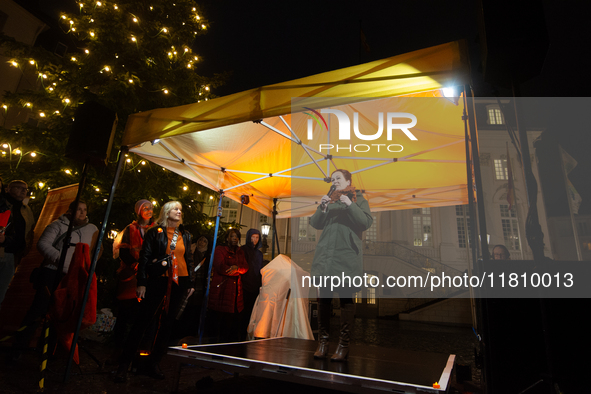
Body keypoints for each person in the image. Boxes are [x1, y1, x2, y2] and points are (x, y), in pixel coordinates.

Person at [115, 201, 194, 382]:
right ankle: (124, 365)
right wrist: (142, 282)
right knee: (143, 321)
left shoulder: (186, 235)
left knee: (167, 324)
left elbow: (188, 259)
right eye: (175, 209)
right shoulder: (155, 232)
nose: (179, 212)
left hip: (178, 282)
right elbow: (145, 258)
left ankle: (153, 363)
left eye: (180, 209)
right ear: (166, 212)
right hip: (158, 280)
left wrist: (190, 283)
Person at [11, 200, 98, 357]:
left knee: (61, 313)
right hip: (52, 272)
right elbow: (43, 244)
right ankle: (19, 347)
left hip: (72, 276)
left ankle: (49, 351)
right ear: (71, 211)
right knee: (39, 309)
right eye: (78, 209)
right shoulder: (57, 225)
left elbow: (94, 251)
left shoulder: (92, 230)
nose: (82, 212)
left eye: (84, 209)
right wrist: (61, 259)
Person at [310, 169, 372, 361]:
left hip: (346, 258)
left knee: (346, 301)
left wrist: (350, 205)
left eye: (338, 178)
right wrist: (322, 208)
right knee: (324, 301)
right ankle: (323, 342)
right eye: (333, 179)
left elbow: (365, 222)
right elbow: (315, 223)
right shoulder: (330, 199)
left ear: (347, 181)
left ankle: (343, 345)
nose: (334, 181)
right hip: (327, 257)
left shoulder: (358, 198)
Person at [111, 200, 155, 354]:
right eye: (145, 208)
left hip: (149, 276)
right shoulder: (130, 229)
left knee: (145, 313)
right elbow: (123, 251)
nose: (149, 211)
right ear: (139, 211)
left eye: (151, 208)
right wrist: (135, 264)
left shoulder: (157, 230)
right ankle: (118, 348)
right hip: (130, 276)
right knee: (125, 312)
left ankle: (140, 348)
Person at [207, 228, 248, 343]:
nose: (234, 238)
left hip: (236, 293)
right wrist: (235, 269)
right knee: (219, 324)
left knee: (231, 326)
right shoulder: (220, 250)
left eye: (236, 236)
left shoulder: (240, 252)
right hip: (222, 290)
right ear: (227, 238)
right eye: (232, 236)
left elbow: (245, 267)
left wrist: (237, 268)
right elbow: (220, 267)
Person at [0, 180, 35, 308]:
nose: (23, 191)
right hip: (2, 249)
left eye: (25, 189)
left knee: (2, 292)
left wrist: (25, 249)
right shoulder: (3, 204)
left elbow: (30, 231)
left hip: (13, 254)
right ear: (8, 189)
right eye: (18, 188)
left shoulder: (26, 209)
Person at [239, 228, 263, 340]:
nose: (255, 239)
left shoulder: (259, 254)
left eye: (257, 237)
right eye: (253, 237)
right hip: (244, 285)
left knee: (251, 313)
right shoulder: (242, 250)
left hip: (255, 286)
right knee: (242, 312)